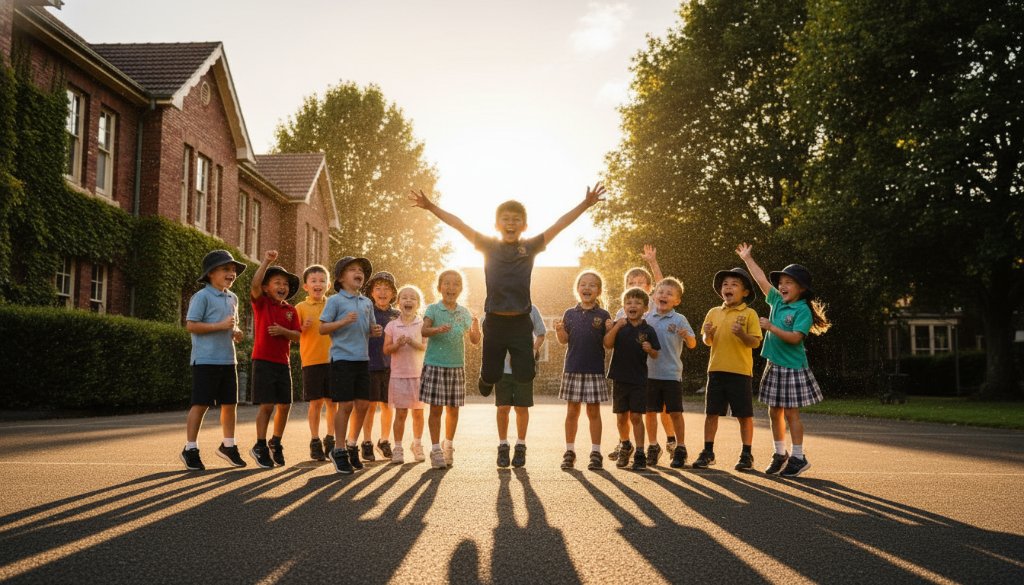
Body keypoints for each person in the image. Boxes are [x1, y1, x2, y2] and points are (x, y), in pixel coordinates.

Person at [409, 183, 604, 400]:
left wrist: (585, 204)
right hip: (495, 321)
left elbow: (558, 225)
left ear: (524, 225)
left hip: (521, 322)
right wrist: (431, 206)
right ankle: (486, 377)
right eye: (506, 219)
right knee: (492, 375)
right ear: (496, 224)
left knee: (525, 375)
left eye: (516, 219)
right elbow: (459, 224)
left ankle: (526, 362)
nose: (511, 223)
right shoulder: (488, 245)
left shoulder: (530, 247)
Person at [736, 243, 830, 477]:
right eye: (781, 282)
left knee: (791, 414)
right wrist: (748, 258)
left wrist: (771, 326)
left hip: (792, 368)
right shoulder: (777, 300)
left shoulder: (802, 311)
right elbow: (760, 280)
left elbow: (795, 338)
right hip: (773, 365)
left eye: (788, 282)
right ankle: (780, 453)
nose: (782, 286)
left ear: (800, 288)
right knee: (773, 411)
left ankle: (798, 457)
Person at [181, 250, 247, 471]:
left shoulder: (233, 297)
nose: (232, 273)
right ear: (211, 274)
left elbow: (231, 326)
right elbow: (191, 325)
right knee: (200, 404)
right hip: (205, 360)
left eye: (233, 270)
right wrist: (219, 326)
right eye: (226, 269)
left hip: (228, 360)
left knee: (230, 404)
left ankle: (228, 446)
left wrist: (236, 332)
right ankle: (190, 448)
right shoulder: (202, 297)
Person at [610, 245, 678, 460]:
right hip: (633, 370)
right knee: (633, 411)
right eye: (631, 283)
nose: (635, 286)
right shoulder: (623, 311)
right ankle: (628, 444)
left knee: (662, 410)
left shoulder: (653, 308)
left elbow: (663, 286)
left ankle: (671, 440)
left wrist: (653, 262)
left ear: (650, 289)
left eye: (640, 283)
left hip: (656, 365)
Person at [692, 267, 763, 471]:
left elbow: (755, 343)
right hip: (716, 370)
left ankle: (746, 454)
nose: (728, 287)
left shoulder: (749, 313)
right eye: (725, 284)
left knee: (744, 415)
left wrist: (741, 333)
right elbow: (707, 341)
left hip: (740, 372)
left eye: (734, 284)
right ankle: (707, 452)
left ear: (745, 292)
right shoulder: (713, 312)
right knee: (711, 413)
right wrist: (707, 334)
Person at [320, 256, 383, 474]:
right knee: (345, 406)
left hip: (362, 360)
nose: (359, 273)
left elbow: (371, 328)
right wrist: (343, 321)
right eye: (353, 269)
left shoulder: (366, 303)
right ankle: (338, 450)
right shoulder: (335, 301)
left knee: (364, 405)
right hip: (342, 360)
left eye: (361, 270)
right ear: (340, 278)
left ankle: (352, 445)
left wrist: (375, 331)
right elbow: (323, 329)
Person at [420, 269, 481, 469]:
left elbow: (474, 340)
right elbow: (424, 330)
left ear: (461, 289)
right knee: (436, 409)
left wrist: (475, 325)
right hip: (435, 365)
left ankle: (449, 445)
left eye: (456, 284)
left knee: (453, 409)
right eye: (447, 283)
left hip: (456, 366)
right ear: (439, 287)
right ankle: (436, 448)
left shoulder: (464, 312)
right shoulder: (433, 309)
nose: (451, 287)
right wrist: (436, 329)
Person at [248, 250, 301, 469]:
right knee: (267, 405)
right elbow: (254, 285)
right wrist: (267, 261)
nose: (282, 287)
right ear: (266, 288)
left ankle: (275, 442)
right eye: (277, 282)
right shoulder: (261, 303)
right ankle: (260, 445)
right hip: (263, 360)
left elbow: (298, 336)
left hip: (283, 363)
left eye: (286, 284)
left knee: (285, 405)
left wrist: (282, 331)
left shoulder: (291, 310)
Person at [555, 270, 611, 471]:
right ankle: (569, 451)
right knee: (572, 411)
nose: (587, 288)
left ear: (599, 291)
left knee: (593, 411)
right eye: (583, 284)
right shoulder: (570, 314)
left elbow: (608, 343)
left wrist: (612, 328)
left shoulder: (603, 315)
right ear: (577, 289)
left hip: (595, 369)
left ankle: (596, 452)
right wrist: (560, 331)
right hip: (573, 368)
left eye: (592, 285)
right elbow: (564, 341)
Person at [604, 288, 660, 470]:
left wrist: (649, 349)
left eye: (637, 303)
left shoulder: (648, 330)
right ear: (623, 307)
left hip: (639, 380)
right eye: (628, 303)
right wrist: (616, 327)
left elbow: (655, 354)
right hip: (619, 378)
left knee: (636, 416)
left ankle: (640, 452)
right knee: (621, 417)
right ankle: (625, 445)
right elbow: (607, 344)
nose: (632, 306)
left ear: (645, 308)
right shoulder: (619, 325)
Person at [643, 277, 697, 468]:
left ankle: (680, 448)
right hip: (649, 374)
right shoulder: (647, 317)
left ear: (677, 301)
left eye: (669, 293)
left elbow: (692, 343)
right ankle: (652, 446)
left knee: (675, 412)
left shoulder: (679, 319)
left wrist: (686, 336)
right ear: (654, 296)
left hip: (671, 374)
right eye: (660, 292)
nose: (663, 295)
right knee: (649, 412)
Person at [493, 304, 546, 468]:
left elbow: (541, 334)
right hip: (502, 368)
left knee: (522, 408)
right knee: (503, 407)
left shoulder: (531, 309)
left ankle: (520, 445)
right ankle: (503, 445)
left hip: (523, 366)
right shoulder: (496, 306)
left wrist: (532, 349)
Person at [295, 264, 337, 461]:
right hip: (311, 361)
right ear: (306, 286)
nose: (318, 284)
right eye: (314, 281)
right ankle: (314, 440)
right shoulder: (300, 308)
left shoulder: (334, 305)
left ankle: (331, 438)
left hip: (334, 361)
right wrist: (302, 327)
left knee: (332, 403)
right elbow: (294, 335)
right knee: (316, 403)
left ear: (328, 285)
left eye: (322, 281)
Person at [358, 271, 400, 462]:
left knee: (388, 405)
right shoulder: (366, 310)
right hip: (370, 364)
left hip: (392, 366)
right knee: (370, 405)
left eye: (387, 289)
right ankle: (366, 442)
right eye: (378, 288)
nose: (382, 292)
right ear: (371, 292)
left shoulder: (397, 315)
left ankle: (384, 441)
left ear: (393, 293)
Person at [384, 284, 428, 464]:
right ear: (398, 302)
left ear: (418, 304)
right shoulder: (392, 325)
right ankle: (398, 447)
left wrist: (413, 343)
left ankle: (417, 445)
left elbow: (427, 347)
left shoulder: (423, 324)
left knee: (418, 413)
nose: (408, 300)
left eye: (413, 298)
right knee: (400, 413)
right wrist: (398, 344)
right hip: (399, 376)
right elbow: (386, 349)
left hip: (419, 375)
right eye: (405, 298)